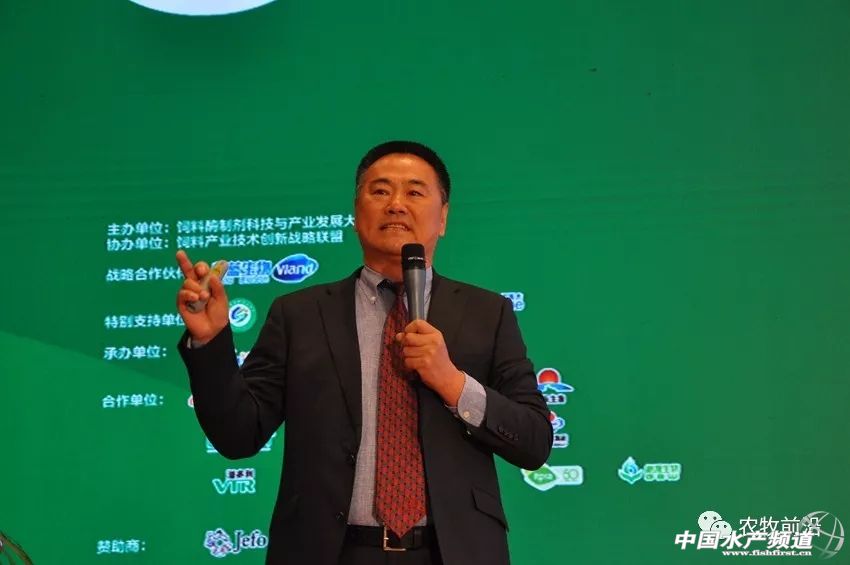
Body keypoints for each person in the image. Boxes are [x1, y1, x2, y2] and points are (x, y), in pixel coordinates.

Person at [175, 141, 552, 565]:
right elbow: (238, 435)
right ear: (356, 214)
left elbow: (535, 442)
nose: (396, 204)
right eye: (380, 191)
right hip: (329, 552)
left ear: (443, 217)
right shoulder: (299, 315)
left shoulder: (488, 313)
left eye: (414, 191)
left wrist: (452, 382)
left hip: (452, 552)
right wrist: (211, 342)